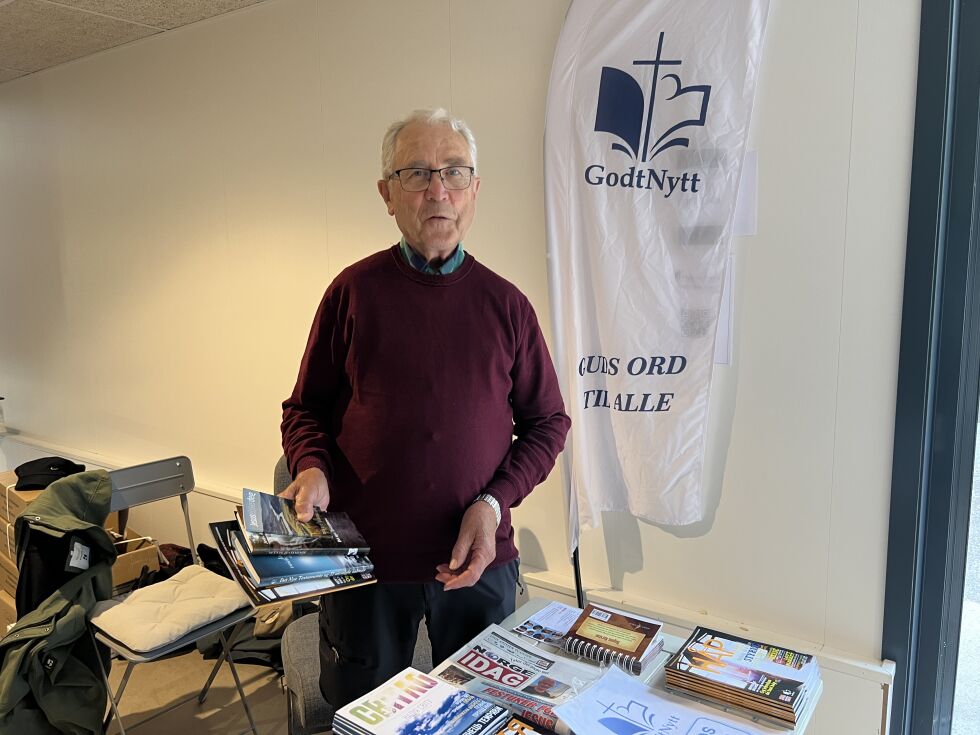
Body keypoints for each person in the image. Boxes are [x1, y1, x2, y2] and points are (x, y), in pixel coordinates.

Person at [280, 108, 571, 708]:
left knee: (482, 716)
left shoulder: (507, 306)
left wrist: (494, 503)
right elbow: (304, 409)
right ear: (387, 193)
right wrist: (311, 465)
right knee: (362, 713)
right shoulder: (351, 293)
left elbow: (549, 422)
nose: (438, 190)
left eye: (454, 173)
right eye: (416, 173)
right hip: (365, 567)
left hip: (480, 561)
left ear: (474, 190)